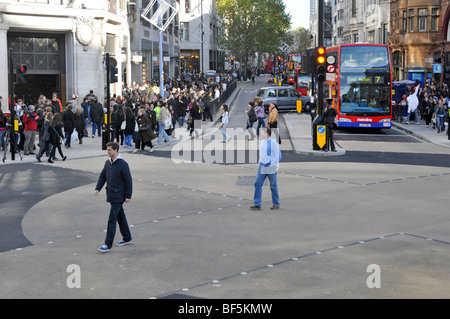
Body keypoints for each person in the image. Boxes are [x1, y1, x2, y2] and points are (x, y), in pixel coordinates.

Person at [95, 142, 133, 253]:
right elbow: (103, 176)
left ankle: (108, 244)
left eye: (110, 150)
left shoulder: (122, 164)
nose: (108, 152)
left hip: (119, 196)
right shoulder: (108, 163)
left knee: (112, 219)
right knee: (120, 216)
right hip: (111, 194)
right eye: (107, 150)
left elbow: (128, 180)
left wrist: (128, 196)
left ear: (116, 150)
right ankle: (127, 237)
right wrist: (98, 188)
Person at [251, 127, 281, 211]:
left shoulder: (273, 143)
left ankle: (276, 203)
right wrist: (260, 161)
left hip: (270, 167)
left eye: (262, 132)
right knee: (257, 184)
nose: (260, 134)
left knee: (273, 186)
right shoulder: (261, 142)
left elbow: (277, 155)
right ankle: (257, 204)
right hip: (262, 166)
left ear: (267, 134)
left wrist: (273, 165)